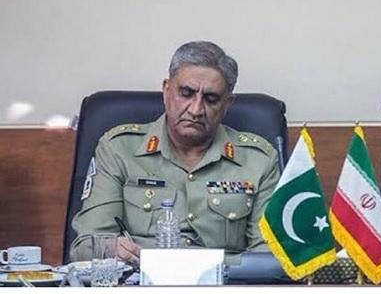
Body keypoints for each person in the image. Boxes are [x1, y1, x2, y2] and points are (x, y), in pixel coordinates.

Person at [70, 41, 280, 264]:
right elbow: (85, 246)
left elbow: (267, 257)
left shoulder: (259, 160)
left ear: (227, 104)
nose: (196, 109)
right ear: (166, 90)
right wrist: (112, 248)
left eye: (211, 99)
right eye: (186, 93)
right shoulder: (119, 149)